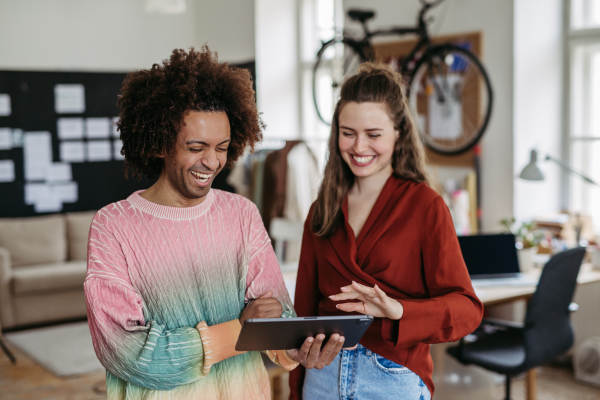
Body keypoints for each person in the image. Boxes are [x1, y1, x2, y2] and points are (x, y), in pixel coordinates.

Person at [84, 46, 344, 400]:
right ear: (161, 143)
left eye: (222, 147)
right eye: (196, 146)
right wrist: (241, 330)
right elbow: (133, 355)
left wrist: (292, 348)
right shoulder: (113, 226)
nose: (211, 161)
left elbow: (274, 315)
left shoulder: (242, 213)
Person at [289, 63, 484, 399]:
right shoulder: (321, 210)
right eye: (348, 132)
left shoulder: (426, 206)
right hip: (322, 376)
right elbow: (304, 312)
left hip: (391, 376)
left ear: (399, 132)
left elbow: (467, 309)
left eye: (374, 134)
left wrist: (400, 311)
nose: (359, 146)